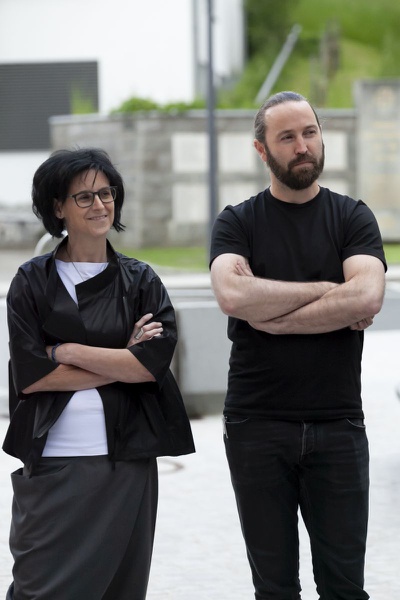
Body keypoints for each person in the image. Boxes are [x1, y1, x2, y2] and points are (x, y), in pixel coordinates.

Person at [210, 91, 386, 599]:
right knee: (274, 589)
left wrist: (274, 318)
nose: (302, 146)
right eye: (286, 137)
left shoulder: (352, 217)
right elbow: (232, 295)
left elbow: (368, 295)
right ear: (262, 150)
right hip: (256, 424)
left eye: (309, 132)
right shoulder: (237, 222)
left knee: (345, 587)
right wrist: (331, 292)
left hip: (338, 424)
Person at [4, 147, 195, 600]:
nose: (100, 205)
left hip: (126, 461)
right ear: (58, 207)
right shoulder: (31, 282)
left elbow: (150, 366)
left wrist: (67, 351)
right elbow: (32, 377)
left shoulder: (140, 280)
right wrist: (120, 358)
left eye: (106, 193)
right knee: (39, 588)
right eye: (84, 197)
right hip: (53, 461)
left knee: (120, 588)